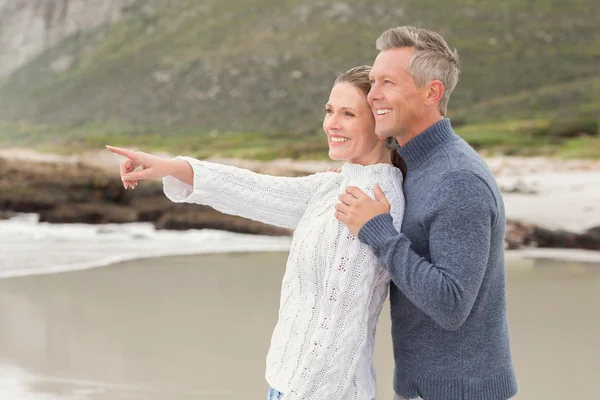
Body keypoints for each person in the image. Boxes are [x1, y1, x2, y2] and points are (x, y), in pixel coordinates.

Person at [106, 65, 406, 400]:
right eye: (329, 110)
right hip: (289, 382)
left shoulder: (373, 199)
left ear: (380, 123)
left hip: (317, 391)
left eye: (347, 113)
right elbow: (255, 191)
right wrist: (169, 166)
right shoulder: (336, 185)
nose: (331, 124)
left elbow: (336, 325)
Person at [335, 27, 518, 400]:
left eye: (388, 82)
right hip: (423, 388)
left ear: (431, 92)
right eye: (372, 82)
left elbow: (451, 304)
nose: (373, 96)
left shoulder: (457, 179)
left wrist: (378, 232)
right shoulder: (416, 165)